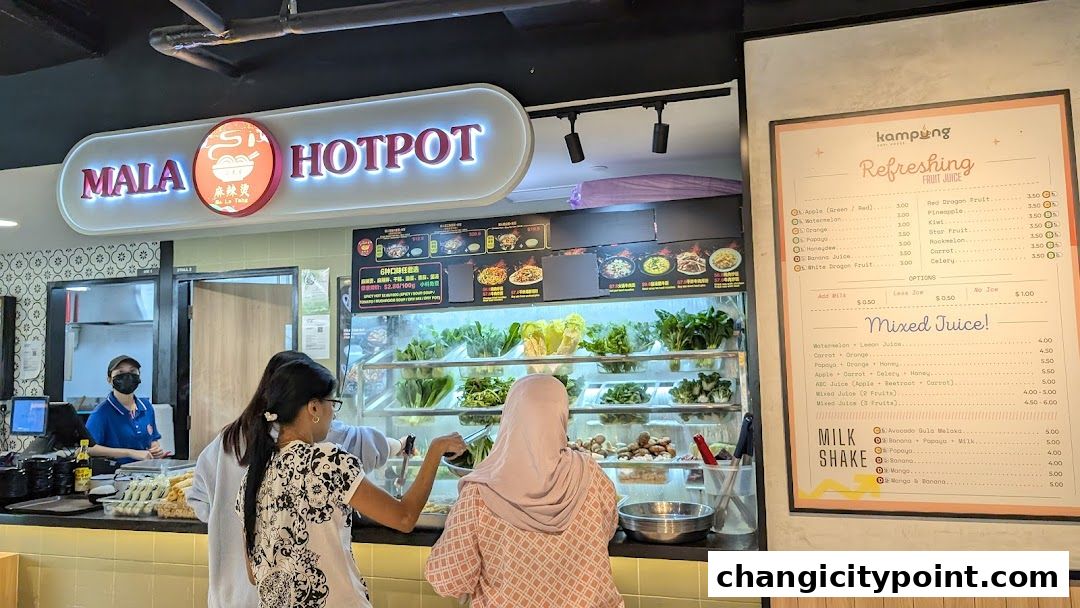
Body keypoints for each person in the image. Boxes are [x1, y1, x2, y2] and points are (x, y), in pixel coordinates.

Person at [238, 358, 466, 608]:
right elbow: (404, 517)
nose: (333, 413)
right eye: (332, 403)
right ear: (313, 408)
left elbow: (253, 573)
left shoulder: (252, 476)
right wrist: (435, 451)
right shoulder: (326, 460)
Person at [187, 351, 404, 608]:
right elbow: (365, 449)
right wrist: (400, 445)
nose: (331, 410)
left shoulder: (225, 440)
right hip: (283, 595)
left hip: (230, 594)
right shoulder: (309, 441)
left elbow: (199, 503)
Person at [426, 374, 622, 608]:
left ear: (509, 417)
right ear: (562, 416)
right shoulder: (590, 474)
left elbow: (448, 578)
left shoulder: (479, 493)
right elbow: (608, 528)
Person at [85, 355, 163, 464]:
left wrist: (156, 449)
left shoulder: (146, 407)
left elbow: (153, 438)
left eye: (132, 371)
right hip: (116, 474)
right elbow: (88, 448)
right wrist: (130, 453)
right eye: (120, 373)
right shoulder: (101, 413)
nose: (127, 377)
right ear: (109, 379)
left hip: (147, 471)